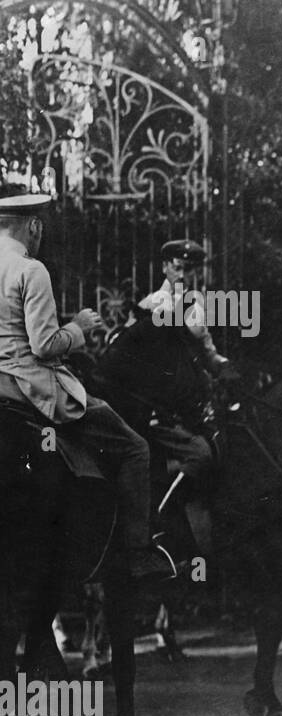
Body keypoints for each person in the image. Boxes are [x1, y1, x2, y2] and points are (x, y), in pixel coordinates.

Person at [0, 193, 175, 580]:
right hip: (31, 388)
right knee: (134, 448)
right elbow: (44, 346)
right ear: (33, 226)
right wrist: (78, 328)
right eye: (39, 227)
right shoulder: (31, 270)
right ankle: (137, 553)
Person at [134, 238, 232, 378]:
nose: (181, 275)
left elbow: (206, 351)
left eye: (187, 269)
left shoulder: (196, 309)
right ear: (164, 267)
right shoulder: (147, 305)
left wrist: (220, 363)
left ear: (195, 273)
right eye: (177, 268)